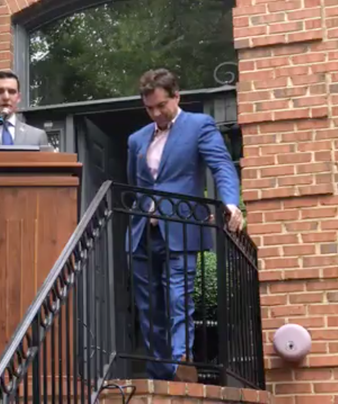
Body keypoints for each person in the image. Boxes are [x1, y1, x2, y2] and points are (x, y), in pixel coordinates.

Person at [126, 68, 243, 382]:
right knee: (148, 307)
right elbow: (135, 185)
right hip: (143, 233)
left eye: (161, 105)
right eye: (149, 108)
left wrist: (229, 203)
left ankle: (181, 362)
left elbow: (221, 165)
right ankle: (159, 369)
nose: (156, 113)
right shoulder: (136, 139)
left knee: (179, 298)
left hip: (180, 228)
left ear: (176, 97)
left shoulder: (199, 126)